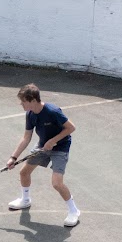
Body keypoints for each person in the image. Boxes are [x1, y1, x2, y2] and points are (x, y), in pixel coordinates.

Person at [6, 83, 81, 227]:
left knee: (57, 183)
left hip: (60, 147)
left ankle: (74, 211)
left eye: (23, 101)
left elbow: (71, 128)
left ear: (33, 100)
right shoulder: (30, 114)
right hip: (42, 146)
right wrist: (13, 158)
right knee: (24, 173)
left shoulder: (52, 111)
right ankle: (25, 200)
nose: (21, 104)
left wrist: (53, 141)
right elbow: (26, 137)